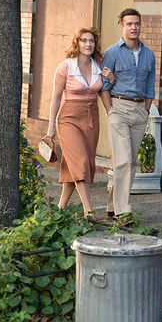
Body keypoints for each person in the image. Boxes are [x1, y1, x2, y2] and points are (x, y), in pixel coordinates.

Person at [47, 27, 110, 217]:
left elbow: (104, 90)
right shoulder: (66, 66)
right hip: (69, 118)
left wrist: (111, 80)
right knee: (81, 162)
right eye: (84, 40)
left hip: (92, 117)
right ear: (77, 43)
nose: (88, 44)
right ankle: (88, 211)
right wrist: (51, 126)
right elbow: (56, 98)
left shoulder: (99, 66)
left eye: (91, 41)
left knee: (78, 164)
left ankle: (59, 210)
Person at [99, 8, 156, 218]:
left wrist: (146, 109)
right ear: (121, 26)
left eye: (137, 23)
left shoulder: (149, 55)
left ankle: (112, 206)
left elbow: (151, 86)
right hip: (119, 109)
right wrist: (110, 111)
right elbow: (103, 86)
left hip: (139, 111)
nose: (134, 27)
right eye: (129, 24)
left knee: (131, 162)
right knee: (123, 159)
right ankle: (124, 210)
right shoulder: (112, 53)